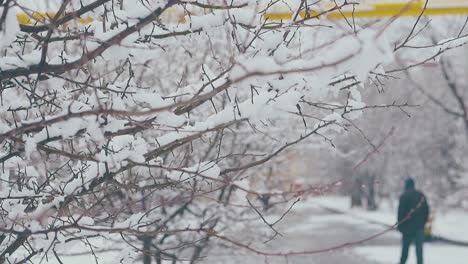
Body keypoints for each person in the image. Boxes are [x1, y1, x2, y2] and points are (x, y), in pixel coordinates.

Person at [397, 177, 429, 264]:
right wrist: (423, 223)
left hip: (407, 228)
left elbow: (401, 213)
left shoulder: (404, 196)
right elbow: (426, 211)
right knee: (419, 251)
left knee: (405, 251)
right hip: (419, 228)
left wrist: (400, 226)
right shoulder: (421, 195)